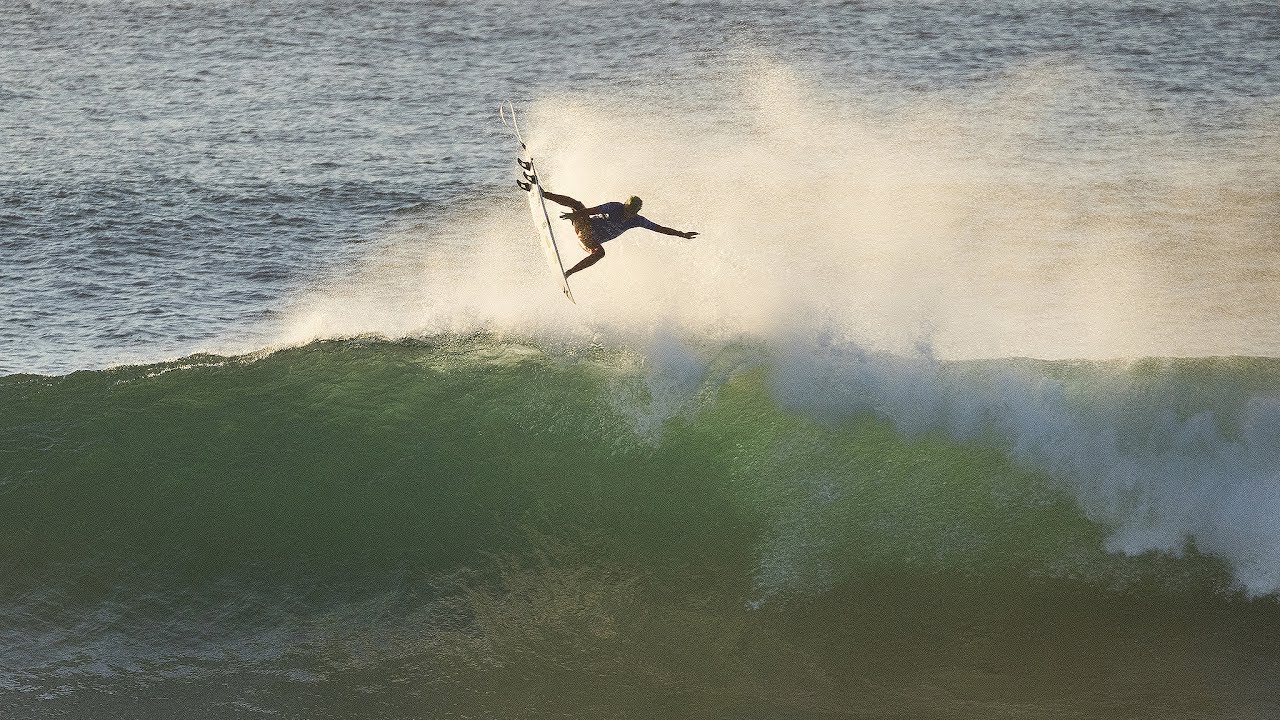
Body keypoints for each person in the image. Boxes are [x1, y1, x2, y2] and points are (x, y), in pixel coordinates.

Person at [539, 191, 698, 278]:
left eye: (632, 212)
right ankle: (543, 194)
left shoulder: (637, 220)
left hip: (590, 242)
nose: (628, 213)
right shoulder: (614, 207)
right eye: (627, 209)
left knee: (600, 253)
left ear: (637, 212)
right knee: (577, 205)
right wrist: (575, 215)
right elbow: (592, 211)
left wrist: (682, 234)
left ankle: (568, 273)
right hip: (584, 227)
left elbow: (660, 228)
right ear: (625, 205)